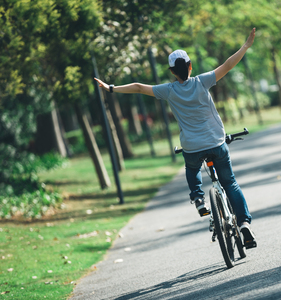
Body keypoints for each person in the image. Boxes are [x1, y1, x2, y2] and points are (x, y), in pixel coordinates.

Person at [94, 28, 257, 248]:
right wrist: (245, 46)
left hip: (191, 146)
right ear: (190, 66)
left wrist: (111, 88)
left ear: (172, 71)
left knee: (192, 168)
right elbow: (228, 65)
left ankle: (198, 198)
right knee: (230, 183)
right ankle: (244, 223)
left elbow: (139, 87)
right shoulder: (202, 81)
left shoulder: (168, 90)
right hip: (216, 142)